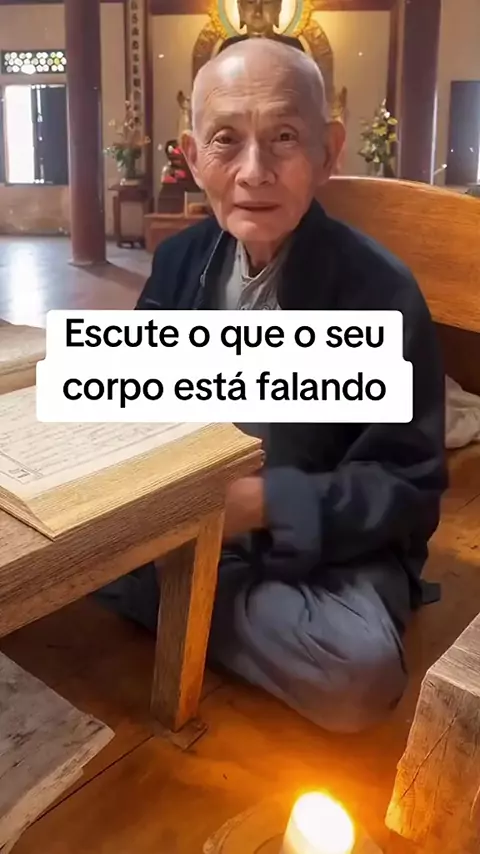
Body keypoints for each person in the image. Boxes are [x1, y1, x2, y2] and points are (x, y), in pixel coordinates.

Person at [96, 38, 448, 734]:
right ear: (192, 155)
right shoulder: (180, 263)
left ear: (328, 150)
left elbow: (407, 485)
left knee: (357, 672)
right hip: (189, 522)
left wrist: (262, 504)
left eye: (284, 136)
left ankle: (168, 596)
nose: (254, 172)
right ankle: (178, 590)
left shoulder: (379, 292)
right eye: (226, 139)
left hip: (325, 549)